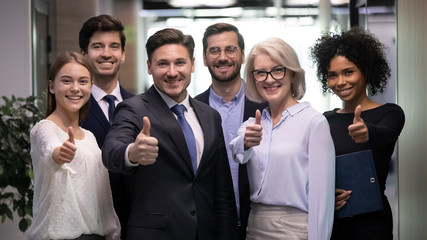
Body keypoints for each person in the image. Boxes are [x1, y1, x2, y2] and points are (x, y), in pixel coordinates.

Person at [102, 28, 239, 240]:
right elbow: (112, 150)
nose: (172, 72)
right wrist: (132, 153)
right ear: (149, 67)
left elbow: (222, 191)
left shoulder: (210, 116)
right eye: (163, 63)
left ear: (192, 64)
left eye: (180, 63)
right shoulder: (132, 109)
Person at [229, 38, 335, 240]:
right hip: (254, 225)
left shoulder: (314, 123)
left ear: (293, 73)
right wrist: (245, 142)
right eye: (261, 72)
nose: (269, 79)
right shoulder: (254, 123)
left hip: (294, 229)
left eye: (278, 70)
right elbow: (238, 152)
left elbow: (322, 201)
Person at [310, 27, 405, 240]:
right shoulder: (324, 120)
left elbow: (385, 133)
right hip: (332, 223)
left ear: (366, 70)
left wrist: (367, 131)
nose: (340, 82)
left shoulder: (390, 112)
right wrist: (324, 196)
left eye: (348, 72)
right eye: (332, 75)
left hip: (372, 225)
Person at [26, 51, 120, 240]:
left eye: (83, 81)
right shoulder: (44, 129)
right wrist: (59, 153)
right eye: (67, 81)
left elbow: (102, 193)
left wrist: (114, 232)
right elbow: (49, 148)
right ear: (52, 87)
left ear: (91, 86)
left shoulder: (90, 137)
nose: (75, 88)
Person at [194, 22, 267, 239]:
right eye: (214, 50)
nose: (222, 57)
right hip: (210, 226)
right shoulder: (191, 110)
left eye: (230, 49)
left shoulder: (266, 106)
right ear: (205, 58)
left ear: (243, 55)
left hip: (259, 224)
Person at [79, 14, 133, 238]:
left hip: (134, 224)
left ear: (123, 54)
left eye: (114, 46)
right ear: (84, 54)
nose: (106, 54)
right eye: (97, 47)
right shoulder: (72, 110)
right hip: (89, 226)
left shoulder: (140, 106)